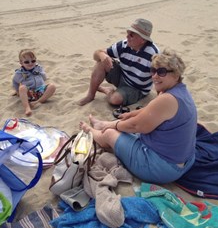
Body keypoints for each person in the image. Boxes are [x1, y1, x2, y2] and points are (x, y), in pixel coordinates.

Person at [79, 48, 198, 184]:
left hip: (162, 168)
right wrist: (130, 114)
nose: (155, 76)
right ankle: (103, 125)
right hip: (185, 161)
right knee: (125, 121)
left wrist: (111, 124)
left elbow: (136, 125)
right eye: (153, 71)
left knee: (110, 133)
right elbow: (150, 111)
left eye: (162, 72)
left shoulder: (167, 99)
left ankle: (91, 130)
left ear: (176, 75)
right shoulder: (180, 91)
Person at [77, 18, 160, 107]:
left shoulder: (153, 54)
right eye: (128, 33)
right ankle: (90, 95)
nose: (127, 36)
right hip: (122, 76)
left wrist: (159, 99)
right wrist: (102, 55)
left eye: (131, 35)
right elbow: (96, 54)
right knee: (101, 62)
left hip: (137, 88)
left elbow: (160, 77)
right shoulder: (124, 44)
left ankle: (107, 90)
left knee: (115, 100)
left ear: (143, 40)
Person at [12, 49, 56, 116]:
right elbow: (14, 81)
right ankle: (27, 107)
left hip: (40, 91)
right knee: (22, 87)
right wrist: (17, 91)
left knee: (52, 86)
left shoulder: (39, 68)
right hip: (30, 93)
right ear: (21, 63)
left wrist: (40, 73)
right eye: (27, 62)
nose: (30, 63)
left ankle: (38, 102)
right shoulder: (20, 73)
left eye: (33, 61)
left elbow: (45, 78)